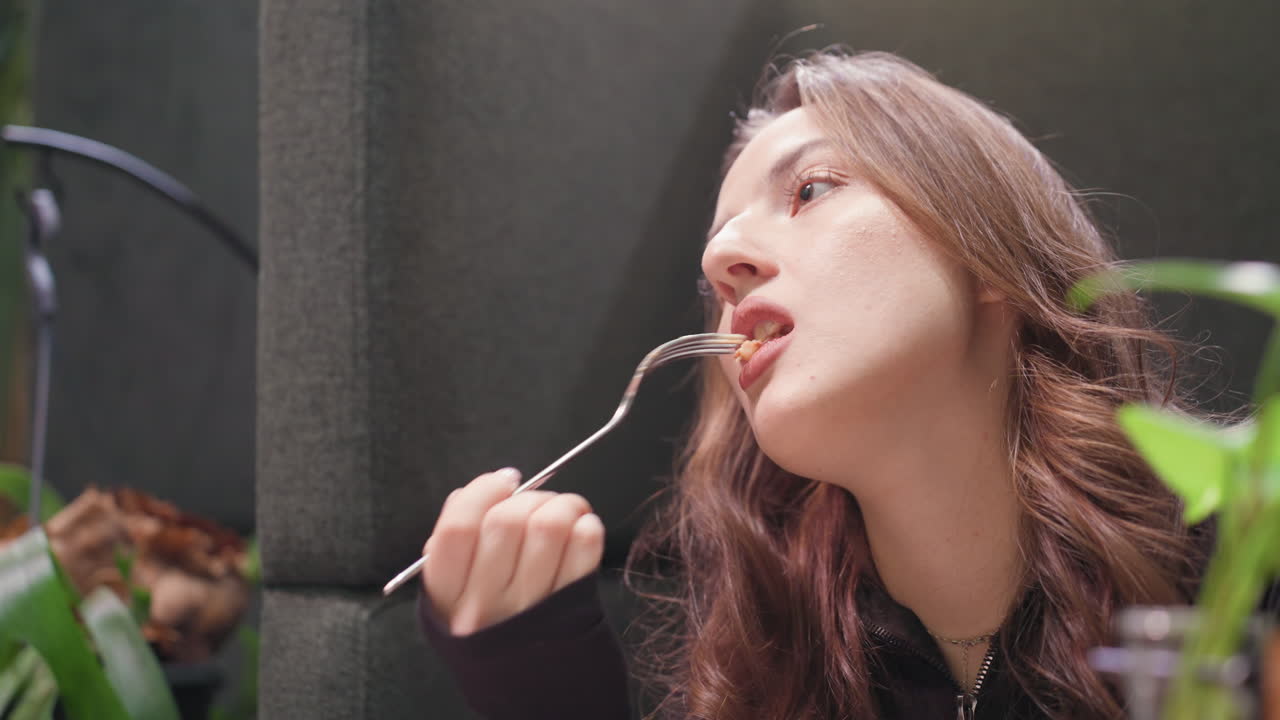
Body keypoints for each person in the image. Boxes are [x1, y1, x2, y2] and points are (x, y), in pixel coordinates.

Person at [415, 49, 1218, 719]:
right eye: (718, 262)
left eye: (810, 190)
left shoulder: (1240, 581)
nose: (719, 264)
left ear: (986, 252)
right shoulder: (773, 666)